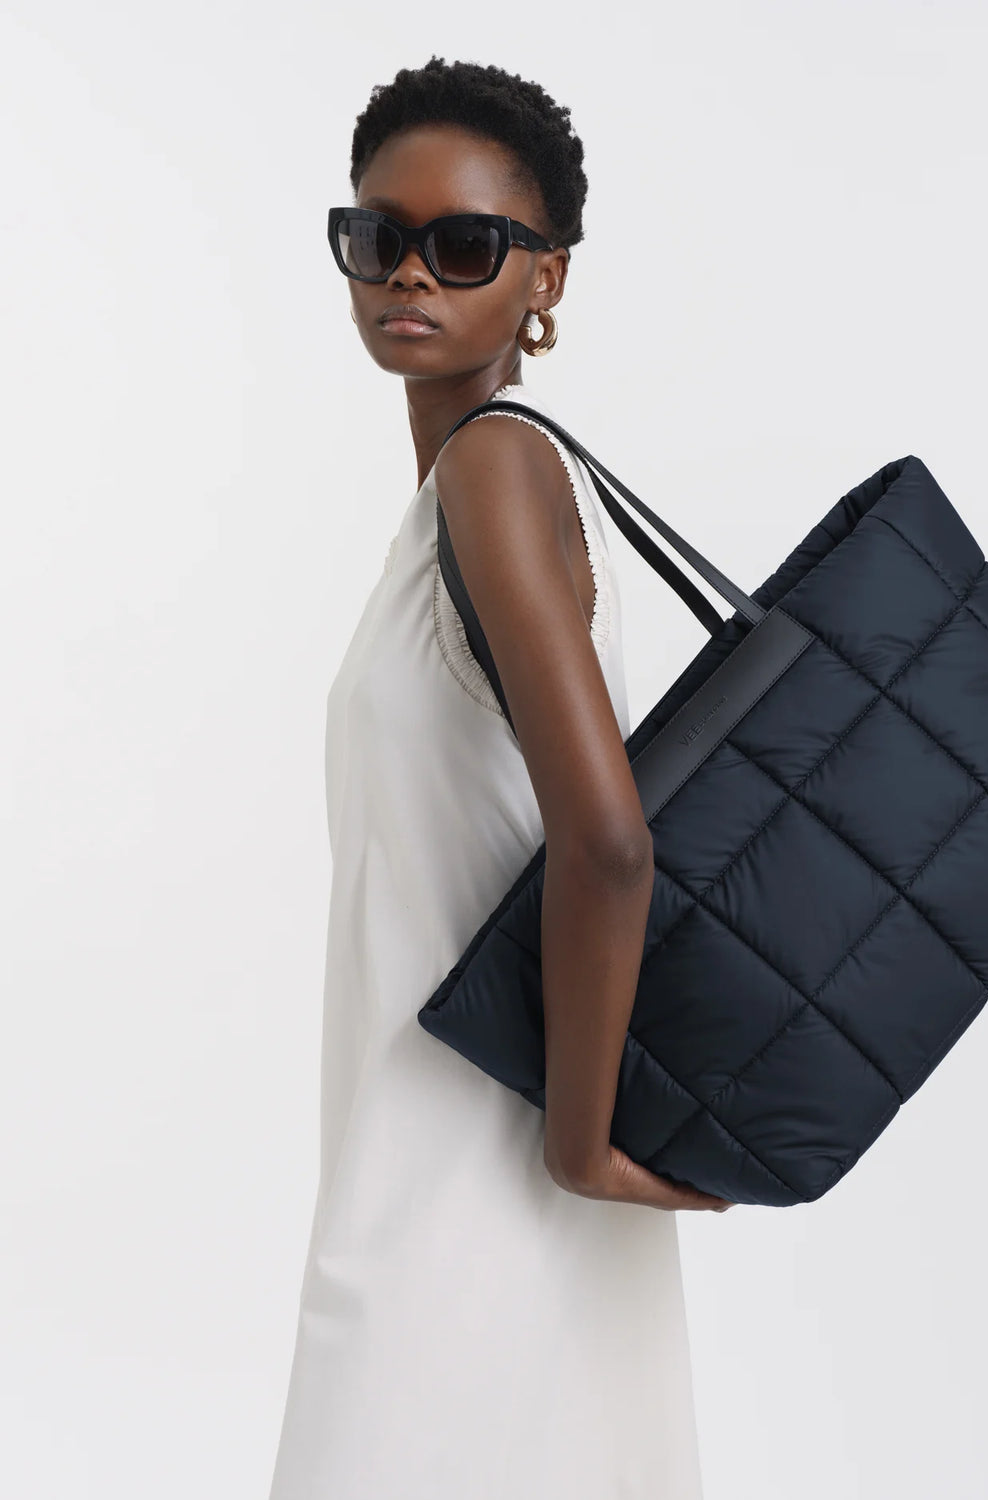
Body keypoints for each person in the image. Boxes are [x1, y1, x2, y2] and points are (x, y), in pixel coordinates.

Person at [266, 55, 732, 1500]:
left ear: (548, 281)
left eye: (464, 243)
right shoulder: (473, 488)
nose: (409, 272)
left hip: (482, 1174)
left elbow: (608, 840)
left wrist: (580, 1151)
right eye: (374, 236)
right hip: (455, 1149)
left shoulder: (496, 472)